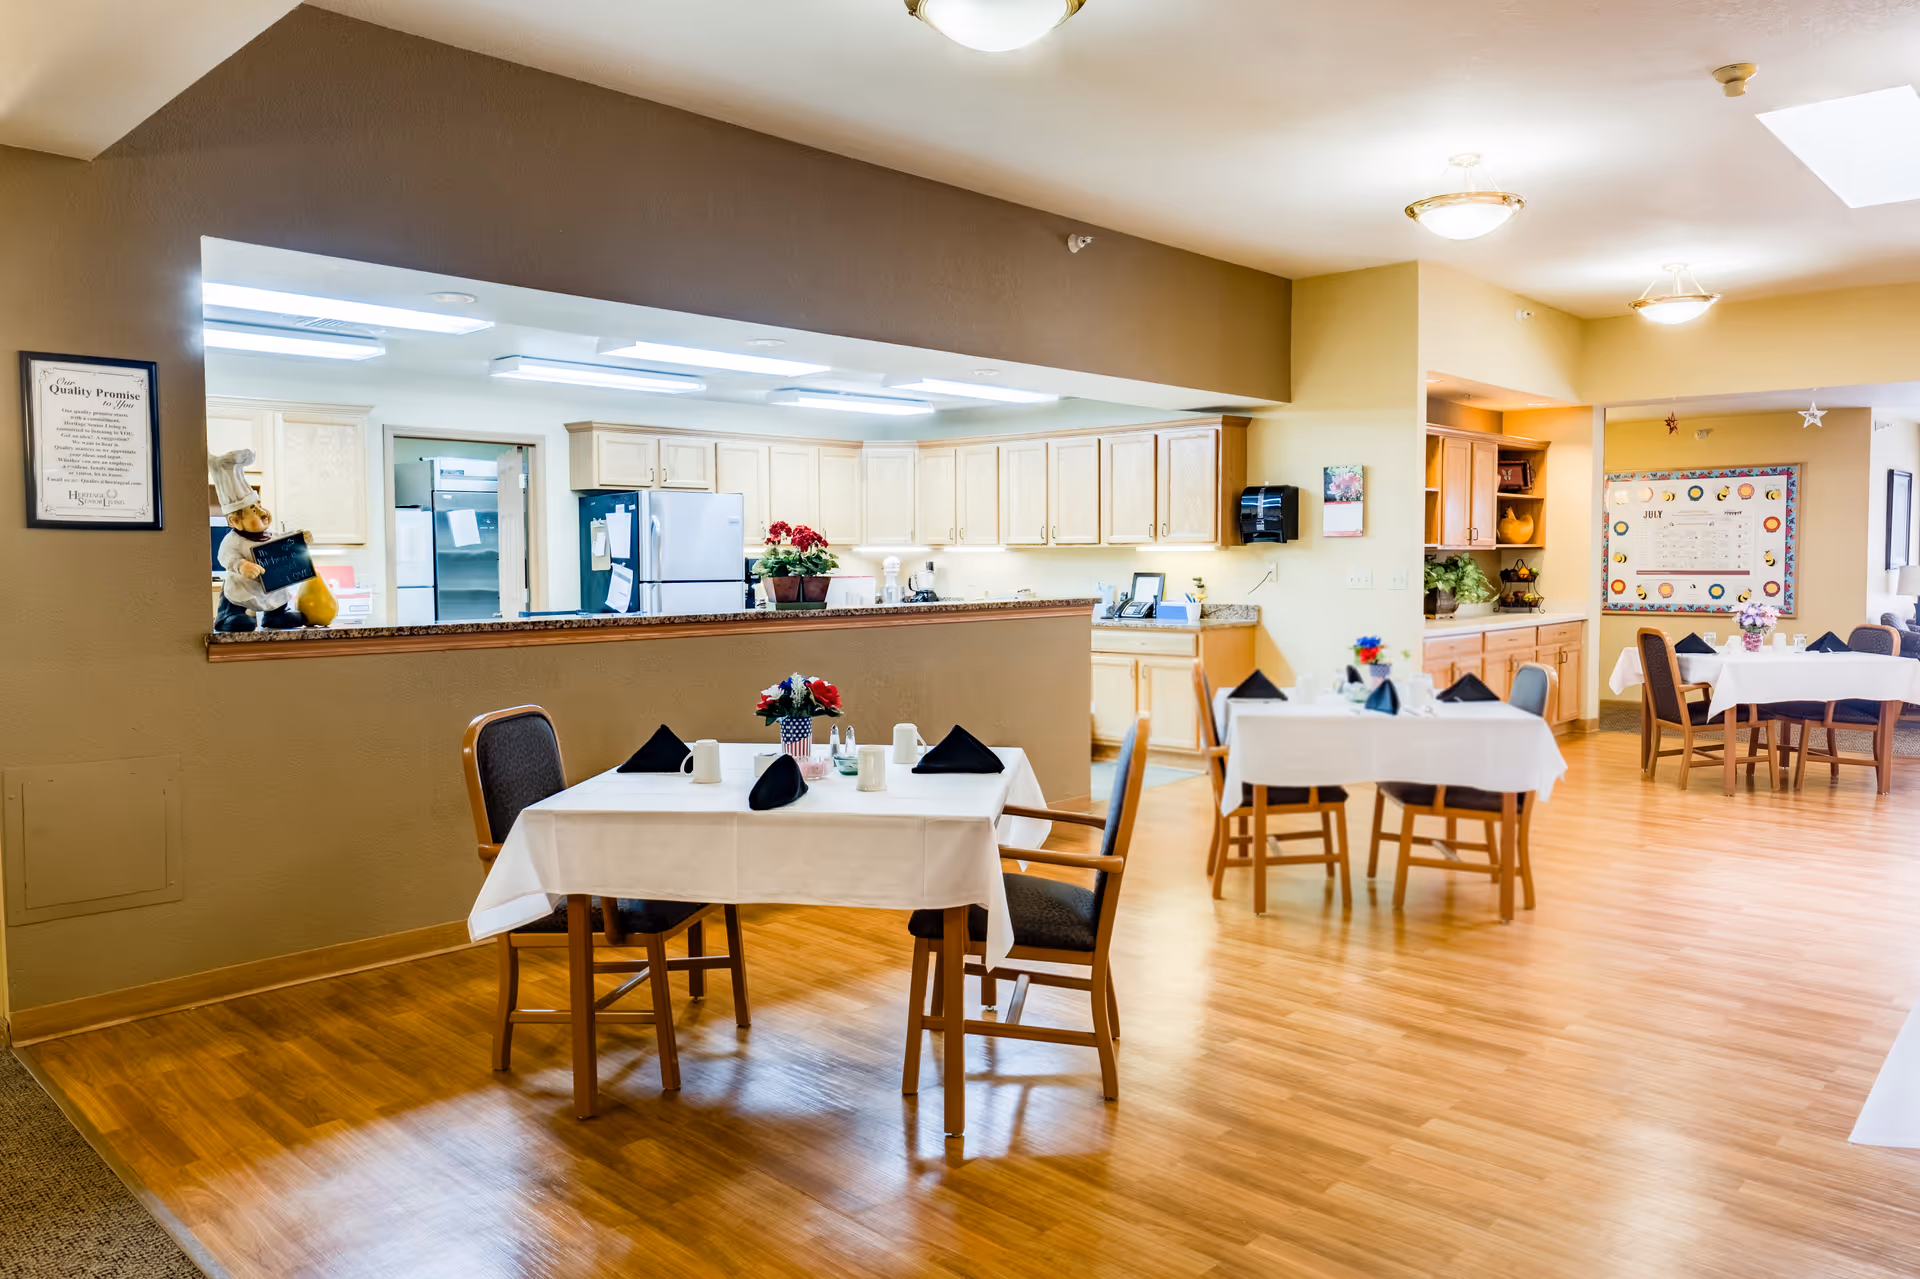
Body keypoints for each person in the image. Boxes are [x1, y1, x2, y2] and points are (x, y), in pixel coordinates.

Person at [208, 449, 307, 633]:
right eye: (254, 511)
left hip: (272, 585)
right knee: (235, 597)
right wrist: (242, 565)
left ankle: (276, 614)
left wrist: (299, 539)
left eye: (259, 506)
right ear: (235, 521)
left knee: (277, 598)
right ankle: (227, 616)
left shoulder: (271, 534)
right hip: (243, 585)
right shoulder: (233, 540)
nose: (262, 512)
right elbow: (225, 557)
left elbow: (285, 541)